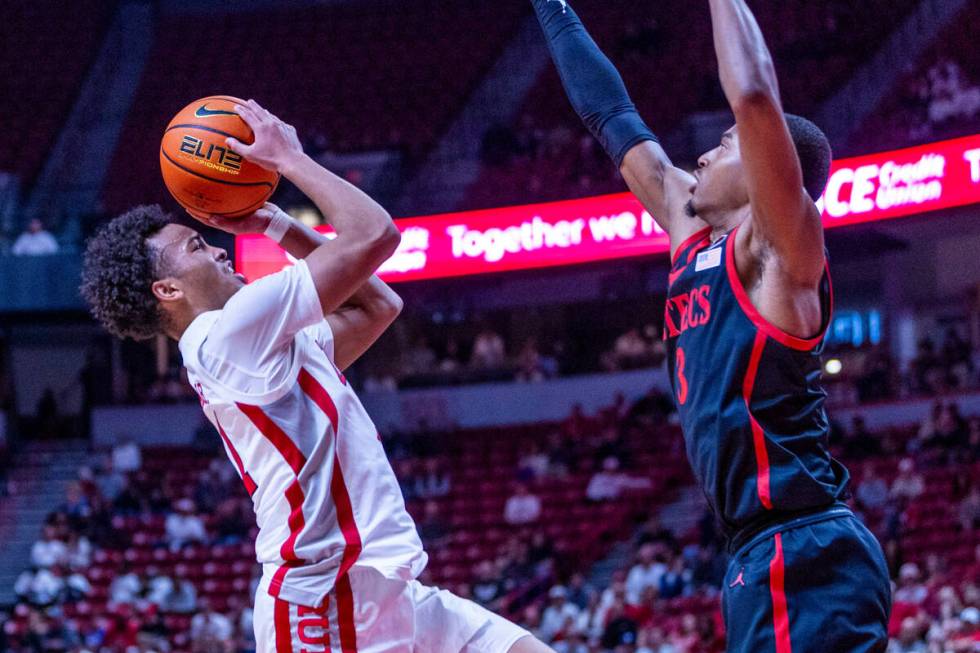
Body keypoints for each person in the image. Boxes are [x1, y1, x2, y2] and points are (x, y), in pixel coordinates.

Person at [80, 99, 551, 653]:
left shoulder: (250, 342)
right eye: (197, 246)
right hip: (324, 600)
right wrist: (291, 161)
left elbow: (376, 306)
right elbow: (375, 234)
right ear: (167, 291)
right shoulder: (226, 334)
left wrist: (275, 223)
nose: (218, 248)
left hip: (379, 588)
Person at [530, 1, 889, 651]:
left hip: (801, 547)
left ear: (762, 169)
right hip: (761, 553)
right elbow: (611, 116)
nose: (700, 155)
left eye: (724, 144)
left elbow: (753, 95)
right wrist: (551, 10)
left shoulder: (779, 256)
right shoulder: (693, 241)